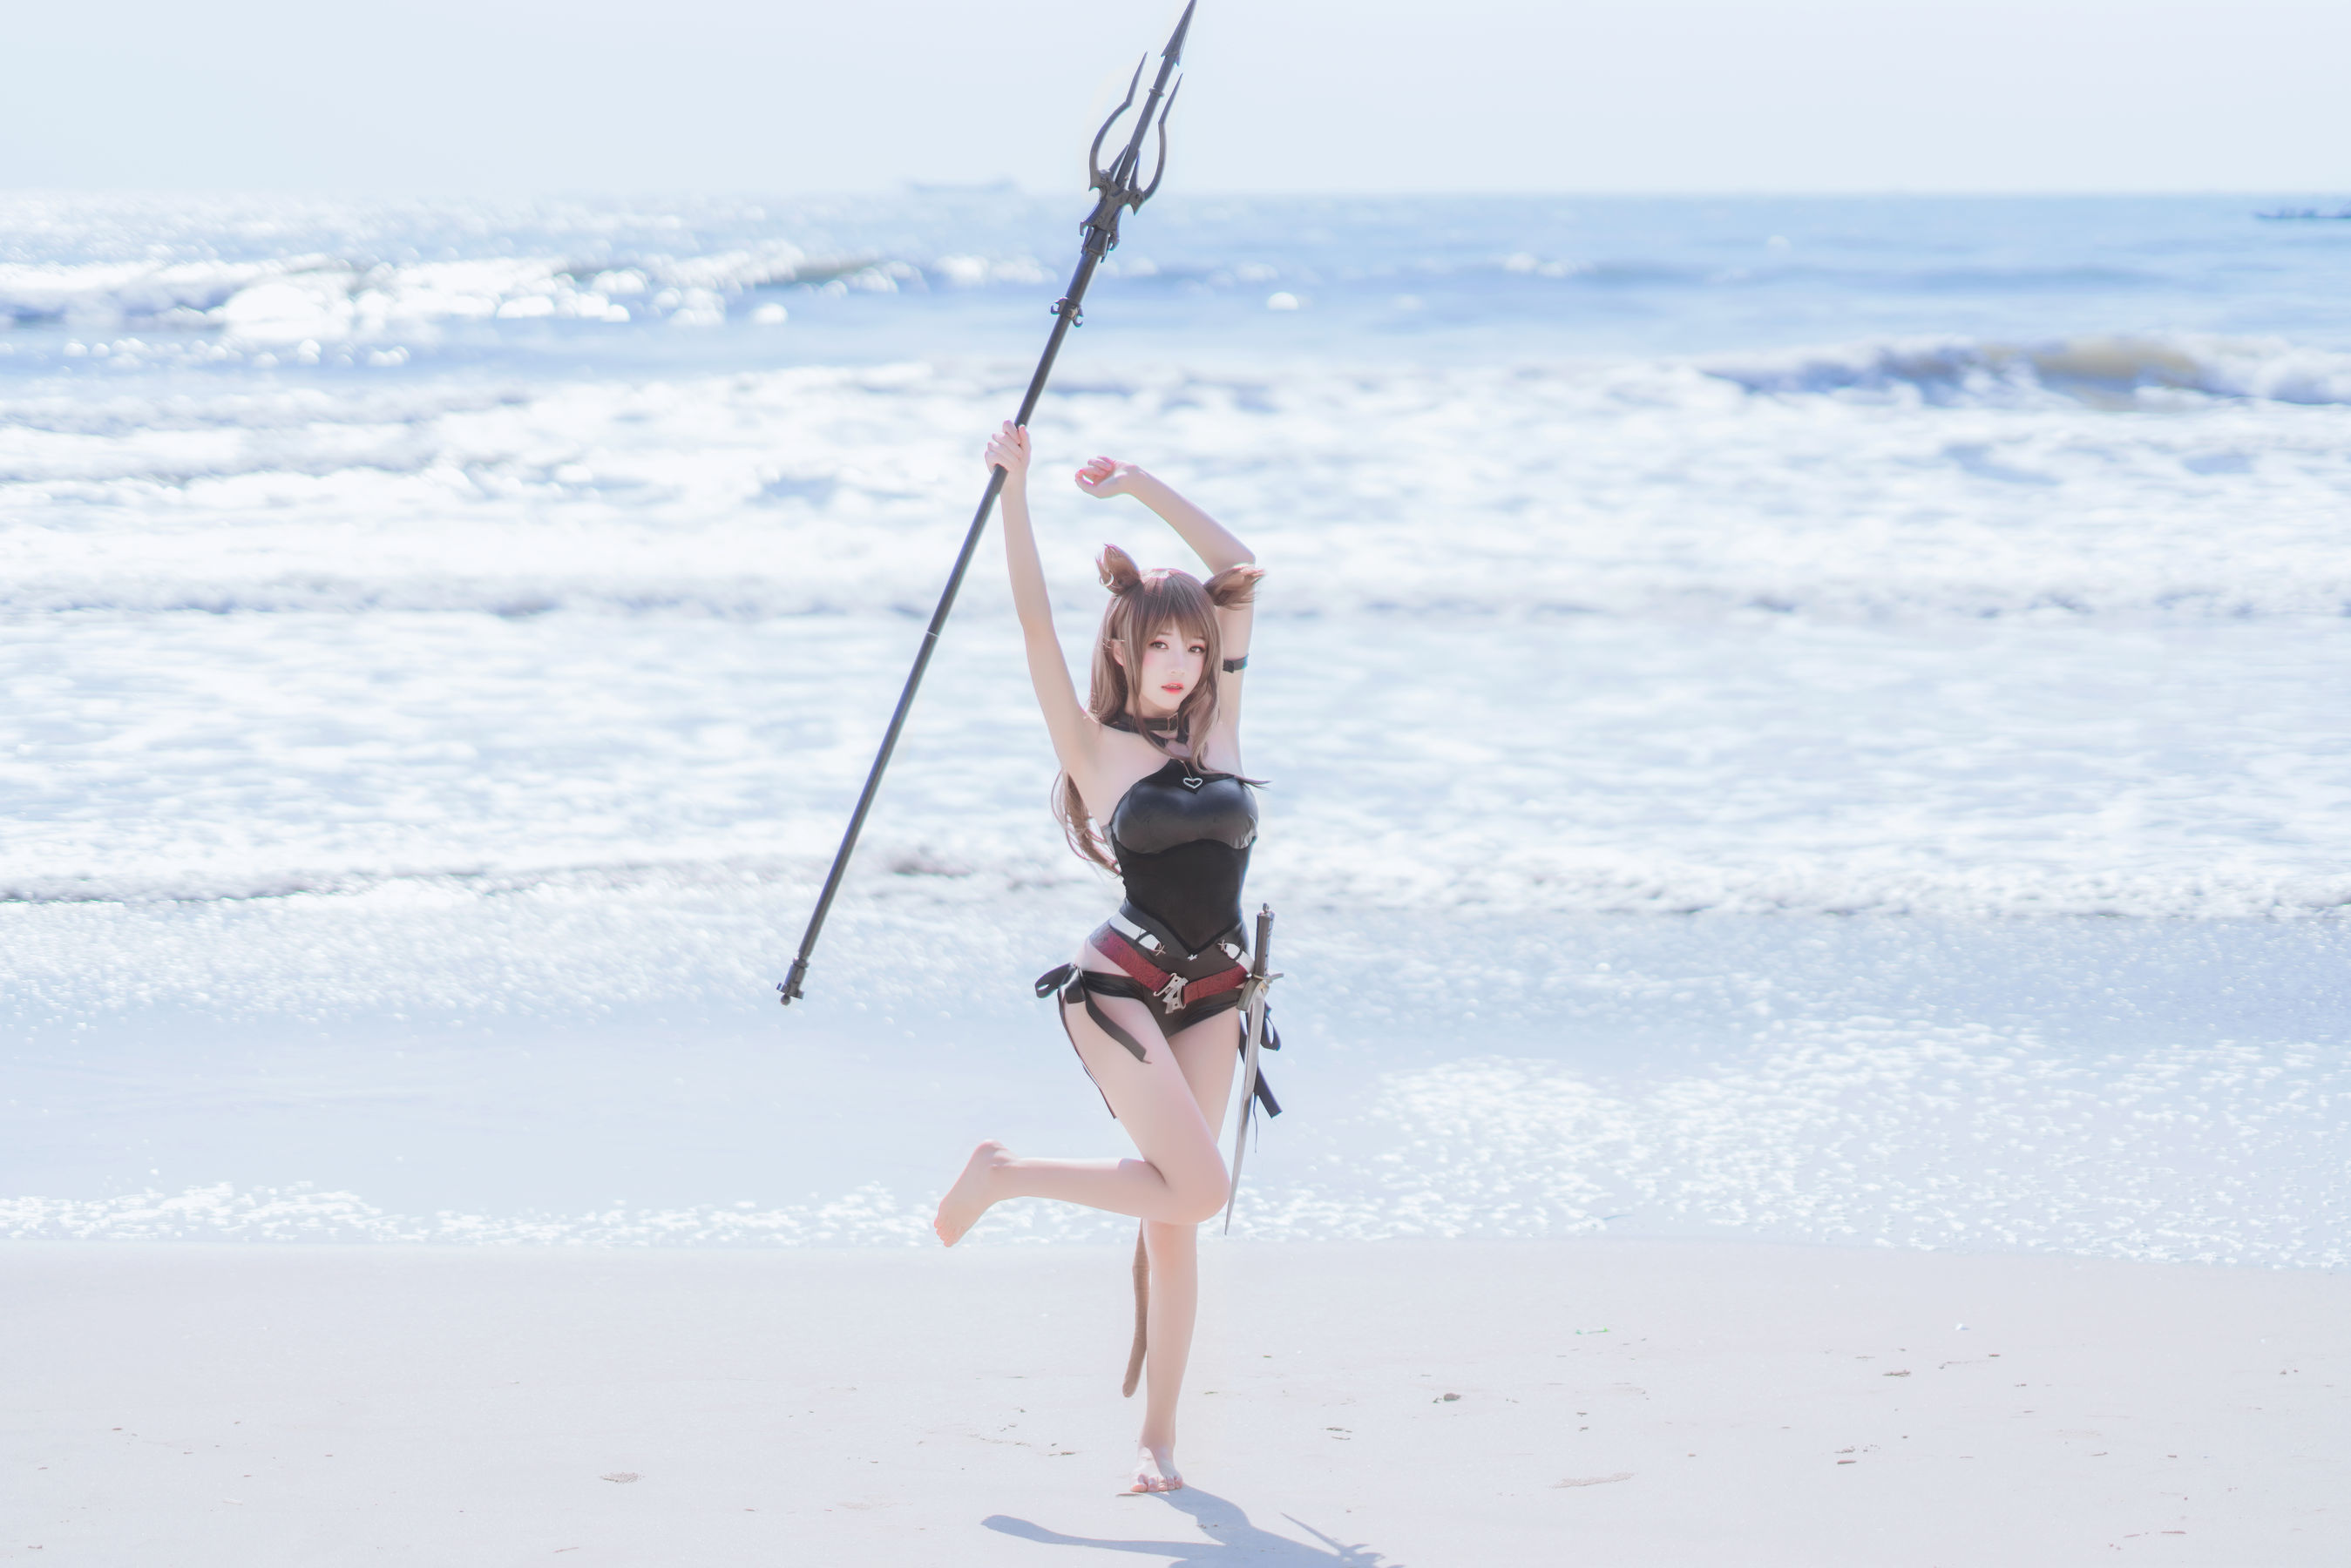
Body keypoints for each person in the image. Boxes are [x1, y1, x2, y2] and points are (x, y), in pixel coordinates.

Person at [932, 420, 1265, 1496]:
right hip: (1120, 989)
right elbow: (1033, 618)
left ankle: (1156, 1445)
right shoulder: (1094, 745)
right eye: (1161, 647)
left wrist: (1138, 484)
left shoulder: (1217, 730)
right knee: (1196, 1191)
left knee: (1174, 1222)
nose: (1182, 665)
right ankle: (1006, 1177)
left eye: (1194, 650)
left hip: (1215, 991)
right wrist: (1014, 490)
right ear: (1123, 648)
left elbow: (1237, 567)